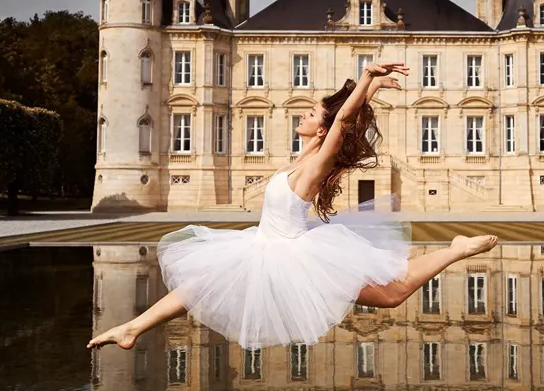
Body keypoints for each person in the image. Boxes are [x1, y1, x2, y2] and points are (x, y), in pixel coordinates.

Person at [88, 62, 499, 351]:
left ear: (321, 128)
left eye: (312, 112)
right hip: (263, 246)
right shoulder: (301, 159)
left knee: (393, 294)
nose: (303, 111)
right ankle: (132, 329)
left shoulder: (315, 165)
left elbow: (342, 123)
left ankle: (457, 249)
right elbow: (345, 118)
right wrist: (368, 88)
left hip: (295, 255)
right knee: (198, 285)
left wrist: (366, 80)